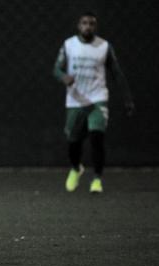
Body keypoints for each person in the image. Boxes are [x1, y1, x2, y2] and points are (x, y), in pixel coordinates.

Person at [53, 12, 134, 193]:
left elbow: (117, 73)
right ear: (78, 26)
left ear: (95, 27)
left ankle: (97, 180)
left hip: (98, 98)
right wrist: (63, 76)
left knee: (97, 138)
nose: (87, 26)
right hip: (75, 100)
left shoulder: (104, 46)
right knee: (73, 142)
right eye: (84, 23)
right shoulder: (69, 45)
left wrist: (127, 98)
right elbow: (56, 69)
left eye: (91, 23)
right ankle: (76, 168)